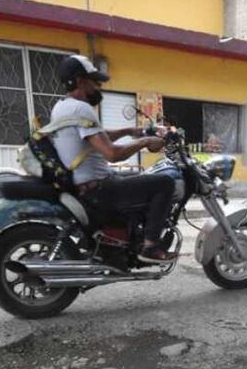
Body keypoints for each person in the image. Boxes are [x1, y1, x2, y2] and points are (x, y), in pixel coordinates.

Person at [51, 55, 176, 263]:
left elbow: (97, 136)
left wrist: (130, 131)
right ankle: (150, 246)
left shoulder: (62, 107)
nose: (98, 87)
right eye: (95, 81)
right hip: (98, 189)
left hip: (86, 184)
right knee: (165, 182)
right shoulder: (81, 108)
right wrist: (145, 141)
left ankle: (130, 238)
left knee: (140, 176)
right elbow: (111, 154)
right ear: (80, 81)